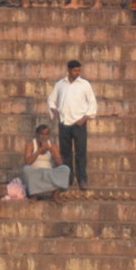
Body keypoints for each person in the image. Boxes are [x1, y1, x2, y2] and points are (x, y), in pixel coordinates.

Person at [47, 59, 97, 188]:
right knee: (66, 153)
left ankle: (82, 180)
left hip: (79, 123)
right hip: (64, 123)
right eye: (75, 70)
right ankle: (68, 179)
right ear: (69, 70)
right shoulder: (60, 84)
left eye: (79, 70)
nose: (77, 73)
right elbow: (51, 99)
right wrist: (54, 110)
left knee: (81, 152)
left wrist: (85, 118)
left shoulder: (85, 84)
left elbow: (92, 102)